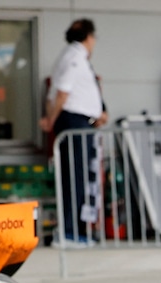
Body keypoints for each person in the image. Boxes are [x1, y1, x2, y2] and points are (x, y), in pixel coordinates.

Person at [40, 19, 108, 247]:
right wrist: (51, 120)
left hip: (79, 121)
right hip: (74, 122)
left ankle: (76, 230)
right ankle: (69, 231)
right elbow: (62, 93)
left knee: (78, 177)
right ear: (88, 37)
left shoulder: (69, 56)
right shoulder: (75, 58)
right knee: (75, 177)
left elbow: (55, 95)